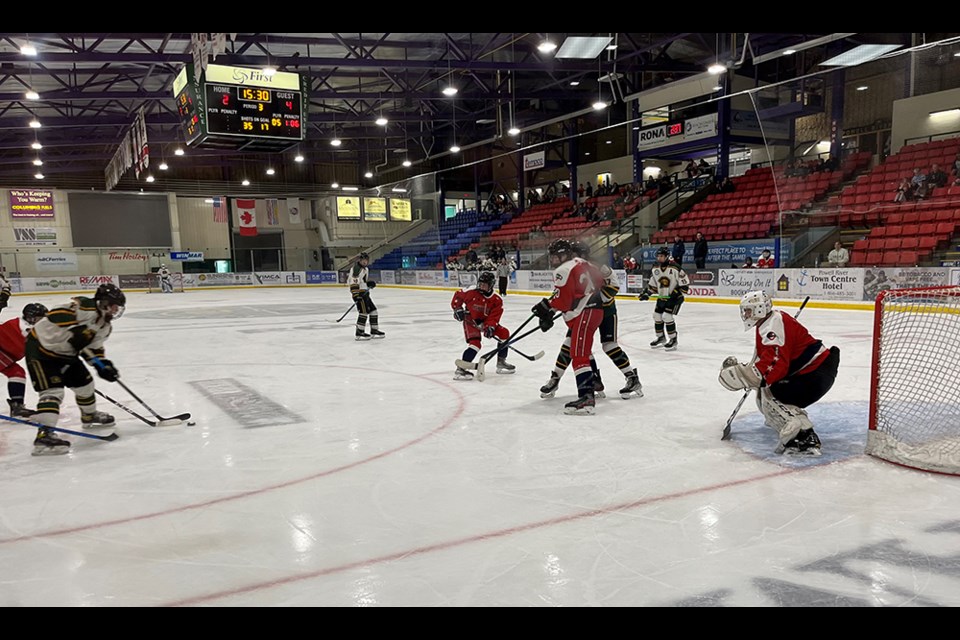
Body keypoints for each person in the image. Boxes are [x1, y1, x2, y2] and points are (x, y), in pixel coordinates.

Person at [719, 290, 840, 456]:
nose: (745, 314)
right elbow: (766, 359)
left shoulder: (772, 325)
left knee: (773, 391)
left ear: (760, 309)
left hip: (816, 374)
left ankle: (803, 437)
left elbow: (776, 366)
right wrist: (750, 373)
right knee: (765, 391)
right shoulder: (769, 322)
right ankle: (788, 419)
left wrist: (746, 376)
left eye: (748, 310)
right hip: (815, 371)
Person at [25, 284, 125, 456]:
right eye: (114, 305)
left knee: (85, 385)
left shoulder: (105, 326)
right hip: (41, 351)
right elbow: (54, 315)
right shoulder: (84, 308)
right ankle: (44, 435)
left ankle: (89, 416)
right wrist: (76, 330)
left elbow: (93, 349)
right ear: (104, 303)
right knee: (53, 392)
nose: (116, 310)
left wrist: (104, 365)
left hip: (66, 354)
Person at [539, 241, 642, 402]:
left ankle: (632, 377)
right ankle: (583, 379)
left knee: (609, 346)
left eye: (575, 254)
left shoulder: (598, 267)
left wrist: (588, 300)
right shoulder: (576, 266)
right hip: (586, 311)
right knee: (571, 344)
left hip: (605, 311)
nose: (573, 257)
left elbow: (614, 286)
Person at [530, 239, 604, 415]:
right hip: (595, 311)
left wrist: (547, 307)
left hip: (585, 313)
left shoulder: (562, 269)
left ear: (563, 255)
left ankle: (586, 399)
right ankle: (594, 383)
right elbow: (599, 281)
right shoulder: (582, 262)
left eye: (555, 256)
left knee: (579, 354)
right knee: (574, 347)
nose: (553, 260)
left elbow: (563, 301)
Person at [451, 271, 514, 380]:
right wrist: (458, 308)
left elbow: (494, 317)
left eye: (484, 285)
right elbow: (458, 296)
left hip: (485, 322)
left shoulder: (497, 300)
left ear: (491, 285)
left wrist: (490, 327)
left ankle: (501, 362)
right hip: (470, 321)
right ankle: (461, 369)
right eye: (480, 284)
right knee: (475, 344)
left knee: (504, 333)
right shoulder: (471, 291)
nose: (481, 287)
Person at [0, 302, 48, 418]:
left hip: (6, 357)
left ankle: (17, 406)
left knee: (18, 374)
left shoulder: (26, 326)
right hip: (2, 355)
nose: (43, 321)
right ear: (30, 318)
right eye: (40, 318)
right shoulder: (26, 329)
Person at [639, 247, 690, 351]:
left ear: (667, 256)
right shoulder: (655, 268)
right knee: (657, 316)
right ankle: (661, 337)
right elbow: (653, 286)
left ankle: (673, 339)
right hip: (662, 297)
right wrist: (647, 294)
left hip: (674, 298)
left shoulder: (675, 268)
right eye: (658, 256)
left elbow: (685, 285)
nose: (659, 258)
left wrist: (675, 294)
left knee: (667, 317)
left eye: (661, 256)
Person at [347, 252, 384, 340]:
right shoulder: (356, 269)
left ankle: (374, 330)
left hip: (365, 293)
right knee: (363, 312)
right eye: (363, 260)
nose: (365, 262)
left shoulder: (366, 269)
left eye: (366, 260)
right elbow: (354, 282)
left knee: (373, 310)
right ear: (360, 260)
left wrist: (369, 284)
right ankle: (359, 331)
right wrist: (356, 295)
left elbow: (362, 282)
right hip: (359, 294)